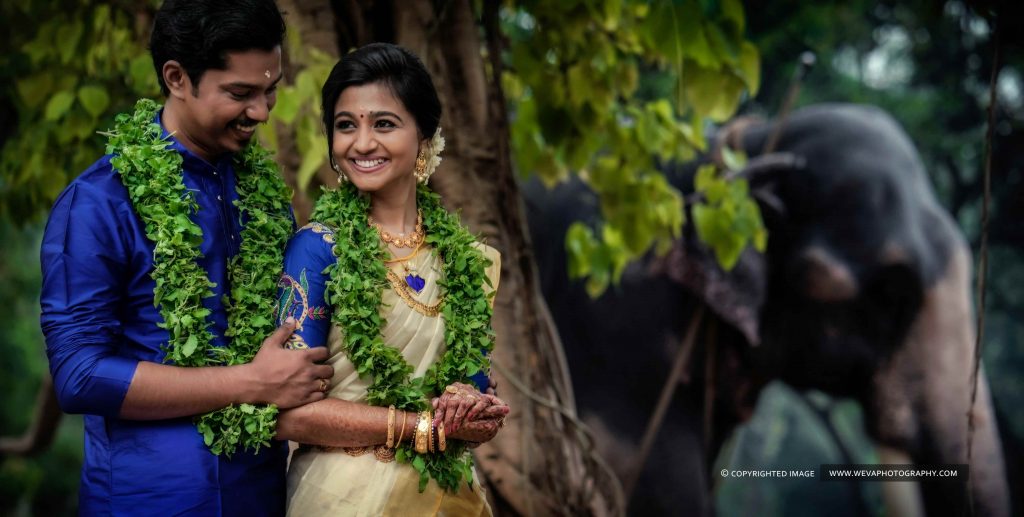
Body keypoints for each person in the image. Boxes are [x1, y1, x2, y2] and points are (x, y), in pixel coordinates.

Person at [39, 1, 334, 514]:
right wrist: (251, 381)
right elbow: (80, 374)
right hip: (146, 501)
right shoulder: (101, 201)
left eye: (271, 90)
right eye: (240, 93)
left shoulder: (264, 197)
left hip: (261, 497)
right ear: (177, 77)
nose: (262, 113)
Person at [270, 43, 510, 516]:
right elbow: (291, 414)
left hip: (446, 497)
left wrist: (473, 411)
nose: (361, 143)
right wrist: (420, 427)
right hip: (340, 498)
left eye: (383, 123)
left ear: (423, 137)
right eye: (346, 125)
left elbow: (472, 390)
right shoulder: (317, 249)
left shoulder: (470, 263)